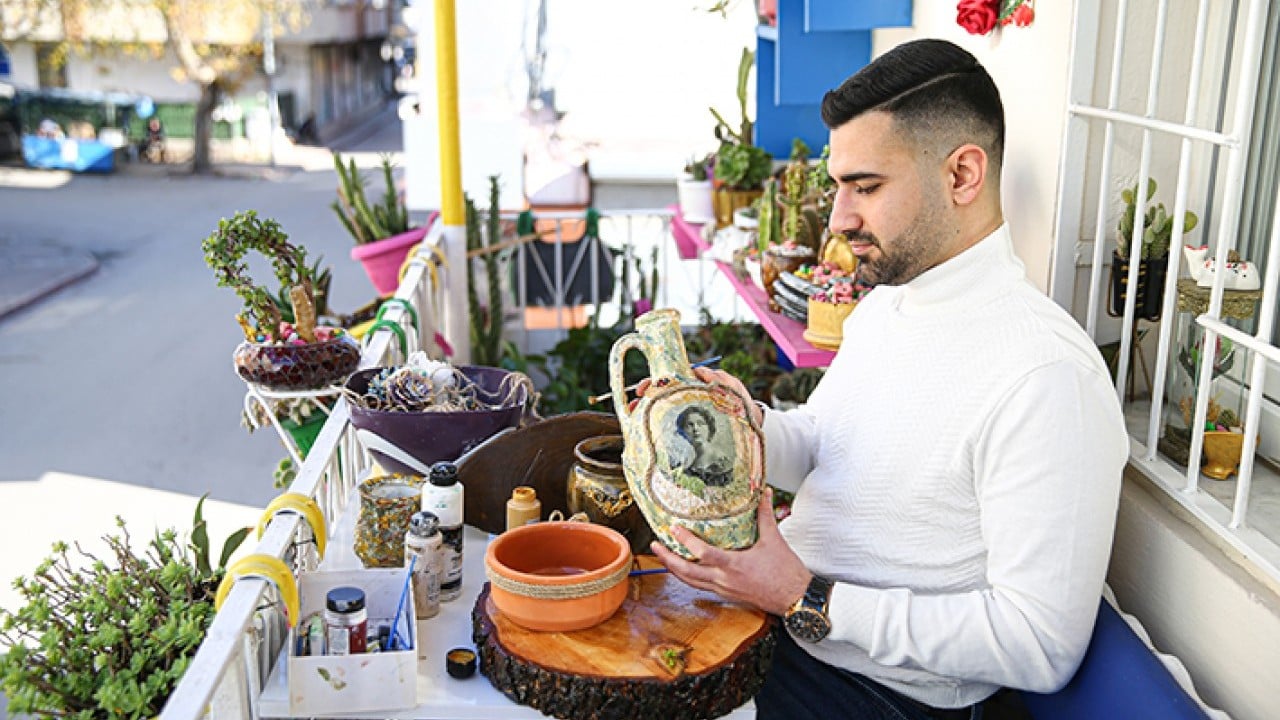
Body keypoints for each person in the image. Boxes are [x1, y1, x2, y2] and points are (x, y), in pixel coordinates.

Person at [648, 39, 1127, 720]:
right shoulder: (891, 305)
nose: (840, 220)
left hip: (874, 696)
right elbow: (822, 442)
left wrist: (804, 596)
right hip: (777, 632)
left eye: (865, 187)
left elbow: (1039, 646)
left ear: (962, 175)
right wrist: (740, 422)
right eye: (838, 187)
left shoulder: (1047, 375)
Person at [673, 405, 733, 489]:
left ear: (709, 428)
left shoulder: (722, 463)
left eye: (700, 423)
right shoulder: (687, 465)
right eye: (690, 425)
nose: (695, 429)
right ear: (683, 431)